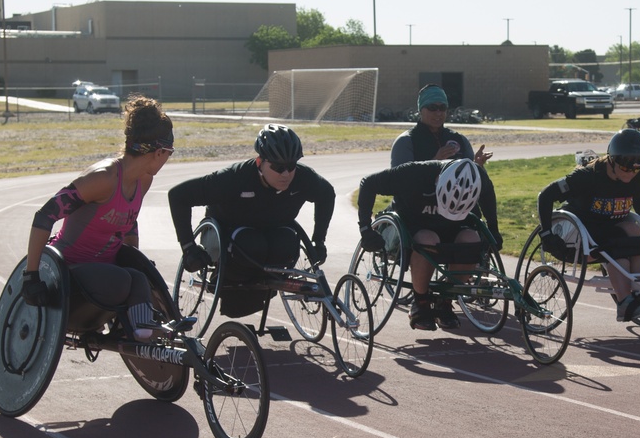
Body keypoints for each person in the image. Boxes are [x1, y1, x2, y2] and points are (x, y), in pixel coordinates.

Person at [21, 95, 174, 340]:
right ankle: (140, 330)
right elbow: (45, 216)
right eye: (169, 153)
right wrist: (31, 276)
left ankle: (143, 331)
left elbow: (129, 220)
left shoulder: (143, 180)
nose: (168, 159)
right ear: (158, 152)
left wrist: (133, 256)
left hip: (106, 269)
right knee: (129, 280)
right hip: (68, 269)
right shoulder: (103, 179)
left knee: (141, 274)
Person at [168, 124, 335, 317]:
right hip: (228, 235)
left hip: (272, 233)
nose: (286, 174)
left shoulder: (303, 178)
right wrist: (188, 247)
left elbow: (327, 194)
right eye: (278, 167)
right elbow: (178, 195)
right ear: (259, 163)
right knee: (251, 244)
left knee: (287, 243)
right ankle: (231, 284)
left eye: (291, 166)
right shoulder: (234, 178)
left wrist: (318, 240)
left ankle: (263, 286)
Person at [536, 129, 640, 322]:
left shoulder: (639, 178)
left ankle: (639, 295)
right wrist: (546, 235)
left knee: (638, 234)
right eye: (627, 169)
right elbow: (545, 195)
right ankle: (625, 303)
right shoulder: (586, 176)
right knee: (617, 248)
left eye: (636, 170)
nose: (632, 174)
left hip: (610, 230)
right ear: (612, 161)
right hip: (578, 238)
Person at [357, 158, 500, 331]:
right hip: (414, 227)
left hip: (452, 228)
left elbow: (488, 195)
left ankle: (445, 299)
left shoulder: (479, 177)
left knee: (472, 239)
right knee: (428, 239)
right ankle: (421, 302)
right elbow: (368, 183)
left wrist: (493, 228)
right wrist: (365, 228)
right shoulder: (414, 173)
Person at [390, 84, 493, 167]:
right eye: (432, 108)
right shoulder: (406, 142)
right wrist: (435, 162)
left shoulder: (459, 140)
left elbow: (470, 182)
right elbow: (400, 182)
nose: (438, 113)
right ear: (420, 110)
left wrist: (477, 166)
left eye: (442, 108)